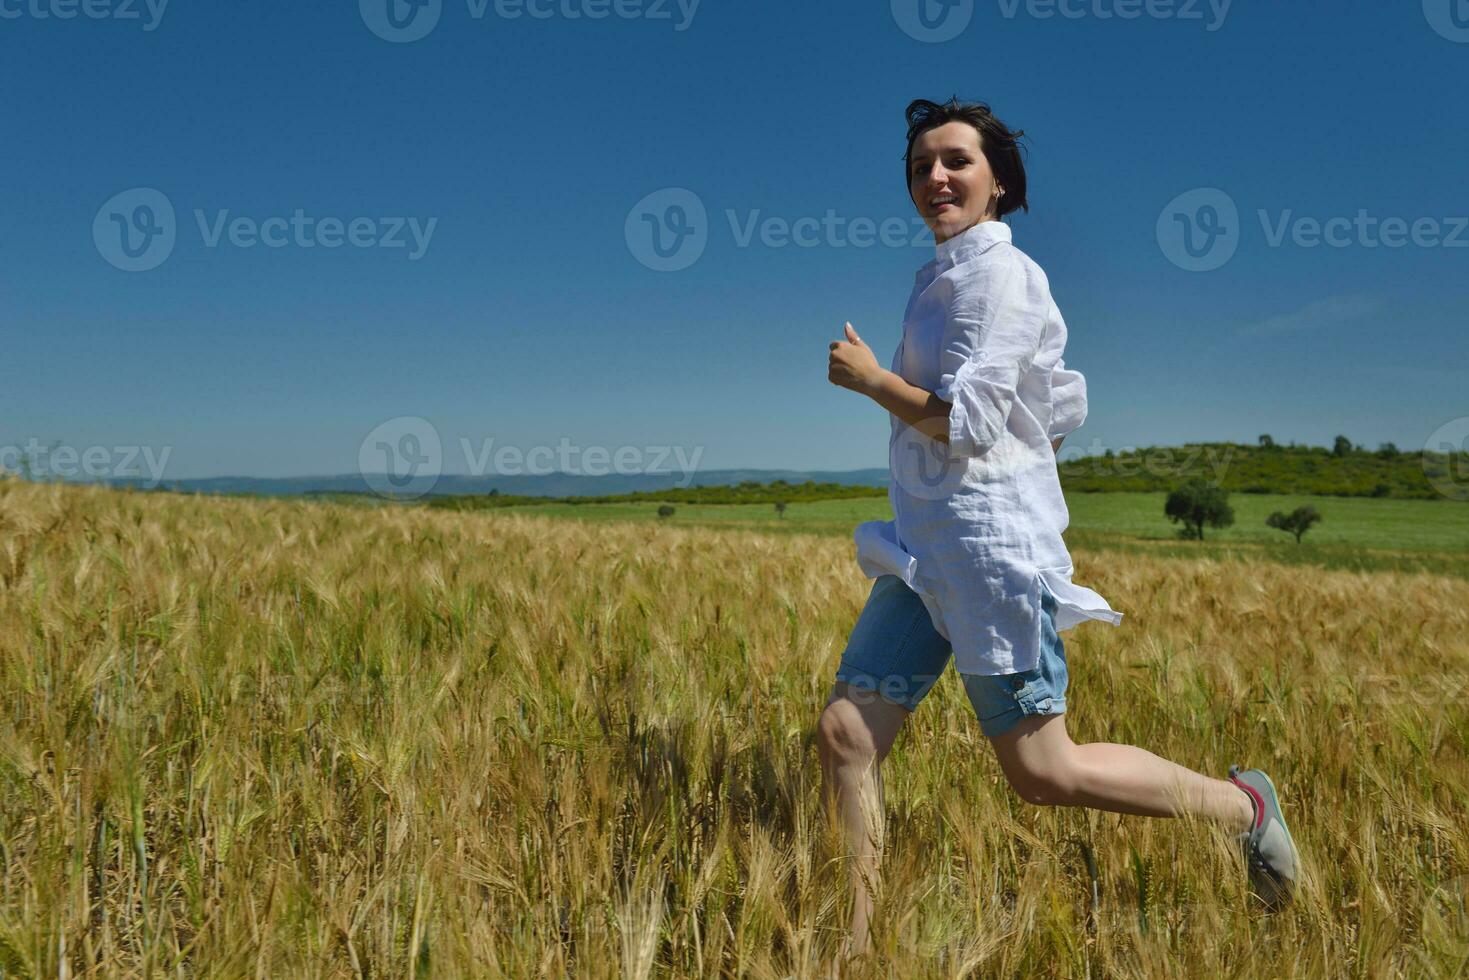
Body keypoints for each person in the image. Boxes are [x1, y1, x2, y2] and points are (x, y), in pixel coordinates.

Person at [821, 97, 1299, 957]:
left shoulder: (1003, 276)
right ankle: (852, 949)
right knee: (846, 736)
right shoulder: (939, 280)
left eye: (956, 161)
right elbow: (1045, 408)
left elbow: (967, 424)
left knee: (1043, 773)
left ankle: (1242, 806)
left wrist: (870, 381)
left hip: (988, 562)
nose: (934, 176)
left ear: (998, 181)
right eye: (919, 165)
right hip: (922, 555)